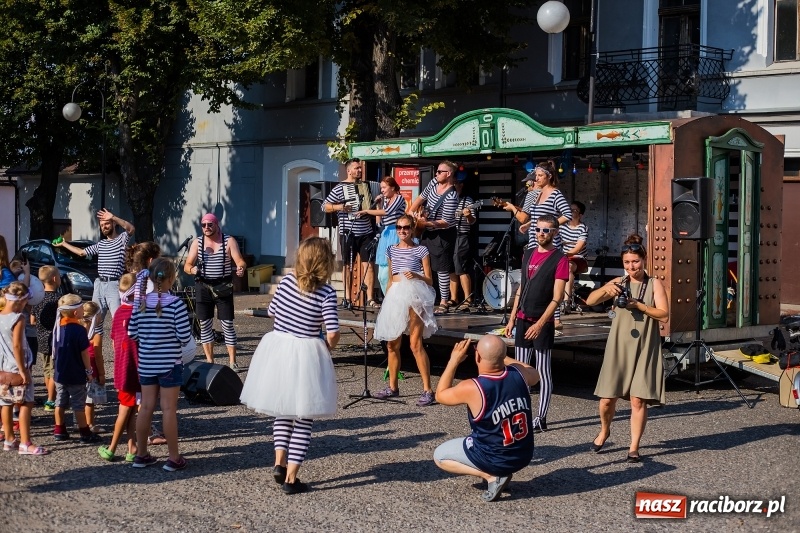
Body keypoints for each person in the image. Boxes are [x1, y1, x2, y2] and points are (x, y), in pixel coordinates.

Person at [240, 237, 340, 495]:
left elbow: (273, 311)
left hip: (279, 348)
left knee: (283, 409)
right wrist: (328, 348)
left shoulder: (285, 282)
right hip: (306, 350)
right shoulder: (326, 292)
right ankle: (292, 479)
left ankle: (278, 462)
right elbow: (332, 332)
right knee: (304, 416)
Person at [584, 234, 669, 463]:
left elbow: (663, 314)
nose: (632, 267)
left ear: (644, 260)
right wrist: (606, 290)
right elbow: (590, 301)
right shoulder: (618, 283)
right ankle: (604, 430)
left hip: (644, 345)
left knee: (638, 400)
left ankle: (634, 447)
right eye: (627, 263)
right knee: (606, 399)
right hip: (618, 347)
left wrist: (639, 305)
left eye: (636, 262)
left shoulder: (654, 284)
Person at [433, 336, 539, 502]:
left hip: (496, 459)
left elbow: (440, 395)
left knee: (440, 456)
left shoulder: (473, 387)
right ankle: (496, 471)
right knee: (482, 432)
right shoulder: (519, 372)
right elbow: (535, 373)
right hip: (524, 456)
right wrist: (501, 356)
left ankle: (491, 476)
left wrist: (454, 360)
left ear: (477, 357)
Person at [504, 214, 568, 432]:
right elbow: (522, 287)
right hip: (522, 317)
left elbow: (557, 297)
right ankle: (521, 416)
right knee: (520, 371)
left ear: (555, 233)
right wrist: (512, 317)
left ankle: (541, 418)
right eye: (538, 230)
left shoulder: (560, 259)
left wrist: (541, 324)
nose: (541, 234)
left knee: (542, 370)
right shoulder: (528, 253)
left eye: (546, 230)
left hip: (543, 320)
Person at [128, 257, 193, 471]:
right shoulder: (176, 305)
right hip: (169, 364)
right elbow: (184, 337)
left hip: (147, 364)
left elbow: (132, 333)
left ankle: (141, 454)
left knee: (145, 407)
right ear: (172, 279)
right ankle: (173, 458)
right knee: (168, 410)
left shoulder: (140, 303)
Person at [372, 215, 438, 407]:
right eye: (399, 228)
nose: (402, 231)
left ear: (413, 227)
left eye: (406, 228)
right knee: (392, 344)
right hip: (395, 294)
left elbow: (430, 280)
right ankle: (393, 387)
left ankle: (428, 390)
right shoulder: (391, 249)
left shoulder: (421, 249)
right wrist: (387, 299)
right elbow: (392, 276)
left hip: (415, 294)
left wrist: (416, 275)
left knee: (415, 344)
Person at [503, 161, 571, 329]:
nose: (537, 178)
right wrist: (528, 224)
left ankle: (555, 317)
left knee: (549, 278)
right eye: (536, 176)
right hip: (534, 240)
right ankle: (527, 312)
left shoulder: (555, 194)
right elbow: (527, 217)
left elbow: (567, 214)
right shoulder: (533, 194)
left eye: (540, 176)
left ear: (549, 176)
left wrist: (551, 226)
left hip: (550, 240)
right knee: (533, 276)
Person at [183, 214, 246, 370]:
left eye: (210, 224)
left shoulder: (229, 241)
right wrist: (192, 269)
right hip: (203, 286)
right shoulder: (197, 243)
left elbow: (240, 260)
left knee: (227, 324)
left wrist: (241, 268)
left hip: (223, 286)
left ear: (217, 225)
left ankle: (232, 361)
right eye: (203, 225)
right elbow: (187, 265)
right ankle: (210, 361)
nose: (206, 228)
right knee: (204, 325)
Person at [55, 208, 135, 325]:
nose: (104, 227)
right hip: (99, 285)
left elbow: (131, 229)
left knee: (119, 321)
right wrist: (64, 244)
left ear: (113, 224)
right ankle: (94, 343)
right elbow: (81, 252)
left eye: (107, 223)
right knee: (93, 321)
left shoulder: (121, 239)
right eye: (102, 225)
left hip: (113, 284)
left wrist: (113, 217)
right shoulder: (101, 244)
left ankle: (117, 343)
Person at [0, 282, 49, 455]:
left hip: (3, 369)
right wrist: (23, 370)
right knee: (26, 404)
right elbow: (17, 346)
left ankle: (9, 439)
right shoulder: (18, 318)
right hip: (17, 367)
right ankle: (26, 443)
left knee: (5, 403)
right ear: (20, 301)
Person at [323, 158, 378, 308]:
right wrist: (339, 207)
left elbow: (374, 203)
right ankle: (347, 298)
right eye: (356, 168)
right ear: (349, 171)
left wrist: (377, 201)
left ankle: (370, 298)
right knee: (347, 265)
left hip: (366, 231)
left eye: (360, 168)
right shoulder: (340, 188)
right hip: (348, 232)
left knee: (369, 265)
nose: (360, 170)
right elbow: (324, 206)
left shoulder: (368, 186)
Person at [98, 273, 139, 462]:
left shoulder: (119, 313)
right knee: (127, 411)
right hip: (138, 371)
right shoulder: (140, 314)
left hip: (123, 370)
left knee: (128, 410)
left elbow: (114, 343)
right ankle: (113, 447)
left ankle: (131, 448)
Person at [409, 160, 459, 314]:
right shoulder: (432, 183)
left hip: (442, 234)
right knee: (423, 264)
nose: (436, 174)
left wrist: (426, 223)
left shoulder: (452, 195)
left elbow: (445, 222)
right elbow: (421, 198)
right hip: (427, 230)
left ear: (448, 174)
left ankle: (444, 301)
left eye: (439, 172)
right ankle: (424, 297)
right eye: (436, 171)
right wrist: (412, 212)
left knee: (441, 268)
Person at [52, 293, 100, 444]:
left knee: (60, 402)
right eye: (80, 307)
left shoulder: (58, 327)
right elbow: (85, 354)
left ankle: (59, 430)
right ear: (75, 312)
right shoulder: (79, 330)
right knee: (78, 404)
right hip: (76, 373)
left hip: (60, 373)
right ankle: (85, 433)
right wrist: (89, 372)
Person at [357, 176, 407, 297]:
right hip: (386, 234)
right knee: (382, 275)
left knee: (393, 271)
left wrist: (367, 211)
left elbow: (388, 212)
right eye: (381, 188)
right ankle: (389, 298)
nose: (382, 190)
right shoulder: (385, 200)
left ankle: (396, 298)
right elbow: (380, 222)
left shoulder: (399, 198)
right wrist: (378, 206)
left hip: (395, 234)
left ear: (393, 187)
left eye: (384, 187)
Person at [32, 265, 60, 411]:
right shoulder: (58, 299)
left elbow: (32, 321)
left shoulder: (38, 298)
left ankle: (49, 397)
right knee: (54, 370)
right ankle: (51, 399)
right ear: (55, 279)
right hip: (55, 339)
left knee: (46, 369)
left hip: (41, 338)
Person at [450, 176, 476, 310]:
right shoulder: (449, 199)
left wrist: (468, 215)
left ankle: (468, 298)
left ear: (462, 185)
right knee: (451, 267)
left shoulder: (468, 200)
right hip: (450, 235)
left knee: (461, 266)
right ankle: (453, 298)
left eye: (457, 183)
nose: (455, 186)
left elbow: (472, 221)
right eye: (453, 183)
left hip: (462, 236)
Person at [559, 201, 589, 311]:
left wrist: (564, 254)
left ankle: (566, 302)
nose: (570, 212)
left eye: (574, 210)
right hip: (562, 258)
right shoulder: (561, 228)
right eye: (569, 209)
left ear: (580, 215)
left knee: (568, 267)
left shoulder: (583, 228)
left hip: (578, 258)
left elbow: (578, 248)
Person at [81, 301, 105, 434]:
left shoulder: (78, 330)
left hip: (79, 370)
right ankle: (90, 424)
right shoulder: (96, 335)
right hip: (92, 370)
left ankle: (78, 423)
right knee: (89, 401)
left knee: (79, 399)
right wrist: (102, 374)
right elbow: (98, 356)